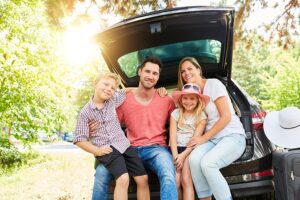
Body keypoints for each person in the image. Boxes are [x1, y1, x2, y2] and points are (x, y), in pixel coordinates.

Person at [92, 57, 178, 200]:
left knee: (169, 174)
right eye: (147, 71)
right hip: (129, 149)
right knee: (101, 173)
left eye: (155, 73)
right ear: (139, 71)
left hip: (156, 150)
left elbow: (180, 123)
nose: (150, 76)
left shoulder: (166, 100)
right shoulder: (124, 99)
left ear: (158, 77)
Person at [177, 57, 246, 200]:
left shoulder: (213, 84)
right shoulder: (192, 94)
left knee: (208, 163)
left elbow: (226, 117)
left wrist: (202, 138)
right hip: (213, 139)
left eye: (190, 68)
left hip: (232, 135)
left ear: (199, 69)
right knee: (194, 160)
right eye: (183, 71)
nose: (186, 73)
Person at [73, 72, 150, 200]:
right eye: (106, 84)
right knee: (123, 179)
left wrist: (140, 89)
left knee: (143, 178)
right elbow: (79, 140)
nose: (109, 89)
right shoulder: (85, 112)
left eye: (113, 88)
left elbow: (125, 90)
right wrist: (97, 151)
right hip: (106, 149)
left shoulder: (112, 100)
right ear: (95, 83)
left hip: (123, 144)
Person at [170, 83, 209, 200]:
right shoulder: (175, 114)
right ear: (181, 99)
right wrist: (176, 156)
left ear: (198, 100)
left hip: (190, 151)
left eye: (192, 98)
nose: (188, 101)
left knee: (186, 180)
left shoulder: (201, 116)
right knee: (175, 183)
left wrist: (183, 155)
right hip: (176, 150)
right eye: (185, 98)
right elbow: (172, 136)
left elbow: (195, 140)